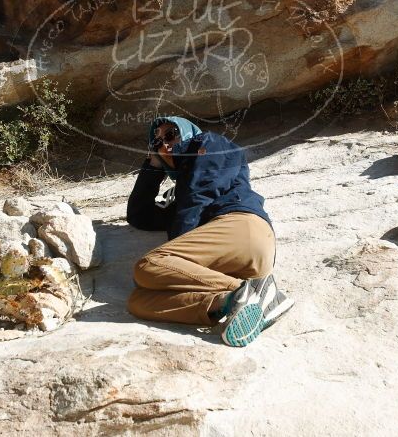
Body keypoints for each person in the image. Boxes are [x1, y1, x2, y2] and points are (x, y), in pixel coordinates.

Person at [125, 116, 294, 347]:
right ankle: (228, 301)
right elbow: (139, 216)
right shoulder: (179, 202)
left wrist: (173, 261)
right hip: (226, 264)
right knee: (139, 300)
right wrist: (154, 166)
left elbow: (200, 193)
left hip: (241, 226)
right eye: (157, 144)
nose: (164, 144)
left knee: (148, 266)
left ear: (185, 133)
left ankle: (255, 292)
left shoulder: (209, 144)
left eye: (170, 135)